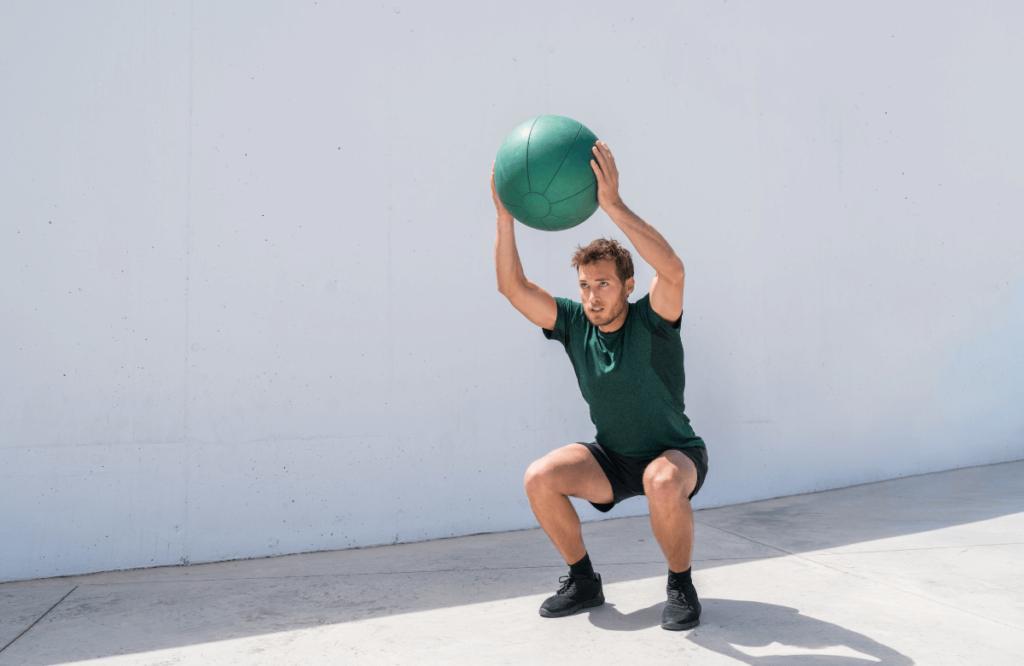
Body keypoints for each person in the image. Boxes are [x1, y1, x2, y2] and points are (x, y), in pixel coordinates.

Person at [491, 140, 708, 631]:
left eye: (604, 284)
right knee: (539, 477)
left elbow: (671, 269)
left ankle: (680, 585)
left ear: (628, 286)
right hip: (612, 458)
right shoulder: (573, 324)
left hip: (675, 453)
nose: (592, 295)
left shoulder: (653, 320)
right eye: (585, 285)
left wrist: (612, 204)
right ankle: (584, 580)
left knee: (662, 480)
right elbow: (512, 287)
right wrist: (506, 216)